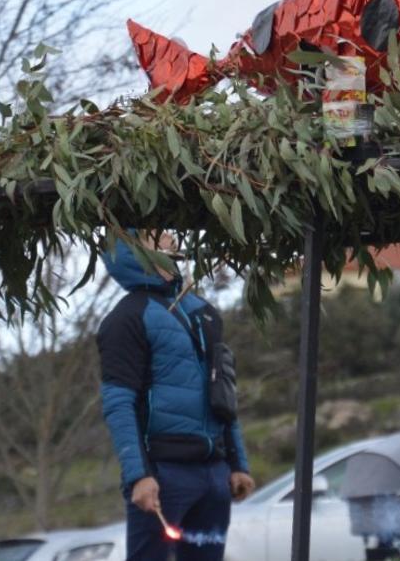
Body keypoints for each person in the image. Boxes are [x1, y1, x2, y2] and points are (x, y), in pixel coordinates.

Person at [96, 235, 256, 561]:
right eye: (154, 234)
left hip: (215, 475)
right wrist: (139, 476)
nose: (170, 237)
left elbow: (223, 393)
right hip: (163, 476)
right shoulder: (126, 319)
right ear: (133, 251)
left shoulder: (204, 313)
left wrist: (237, 464)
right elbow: (118, 403)